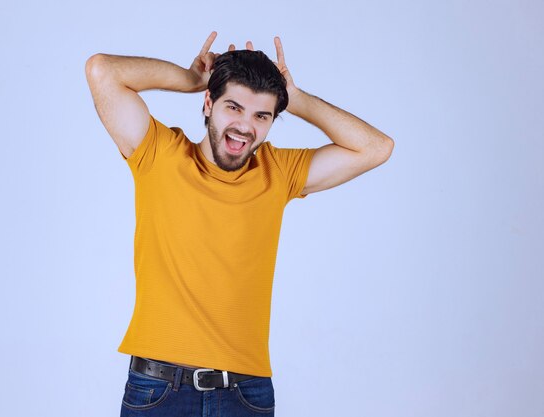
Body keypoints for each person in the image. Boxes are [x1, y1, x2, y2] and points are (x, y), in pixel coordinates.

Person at [85, 31, 394, 417]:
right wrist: (189, 78)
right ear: (209, 103)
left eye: (261, 115)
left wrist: (296, 100)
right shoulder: (157, 152)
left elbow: (376, 147)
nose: (245, 126)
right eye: (233, 107)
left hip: (245, 394)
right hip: (158, 391)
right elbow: (102, 71)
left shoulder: (279, 172)